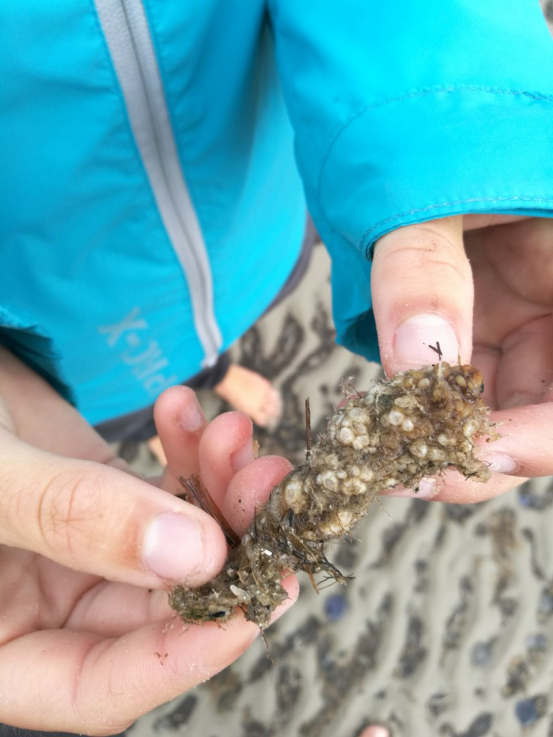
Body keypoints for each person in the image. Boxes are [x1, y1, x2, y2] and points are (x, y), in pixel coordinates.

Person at [1, 1, 553, 735]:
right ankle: (182, 398)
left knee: (199, 381)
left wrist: (448, 153)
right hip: (60, 338)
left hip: (245, 234)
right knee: (148, 408)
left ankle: (215, 372)